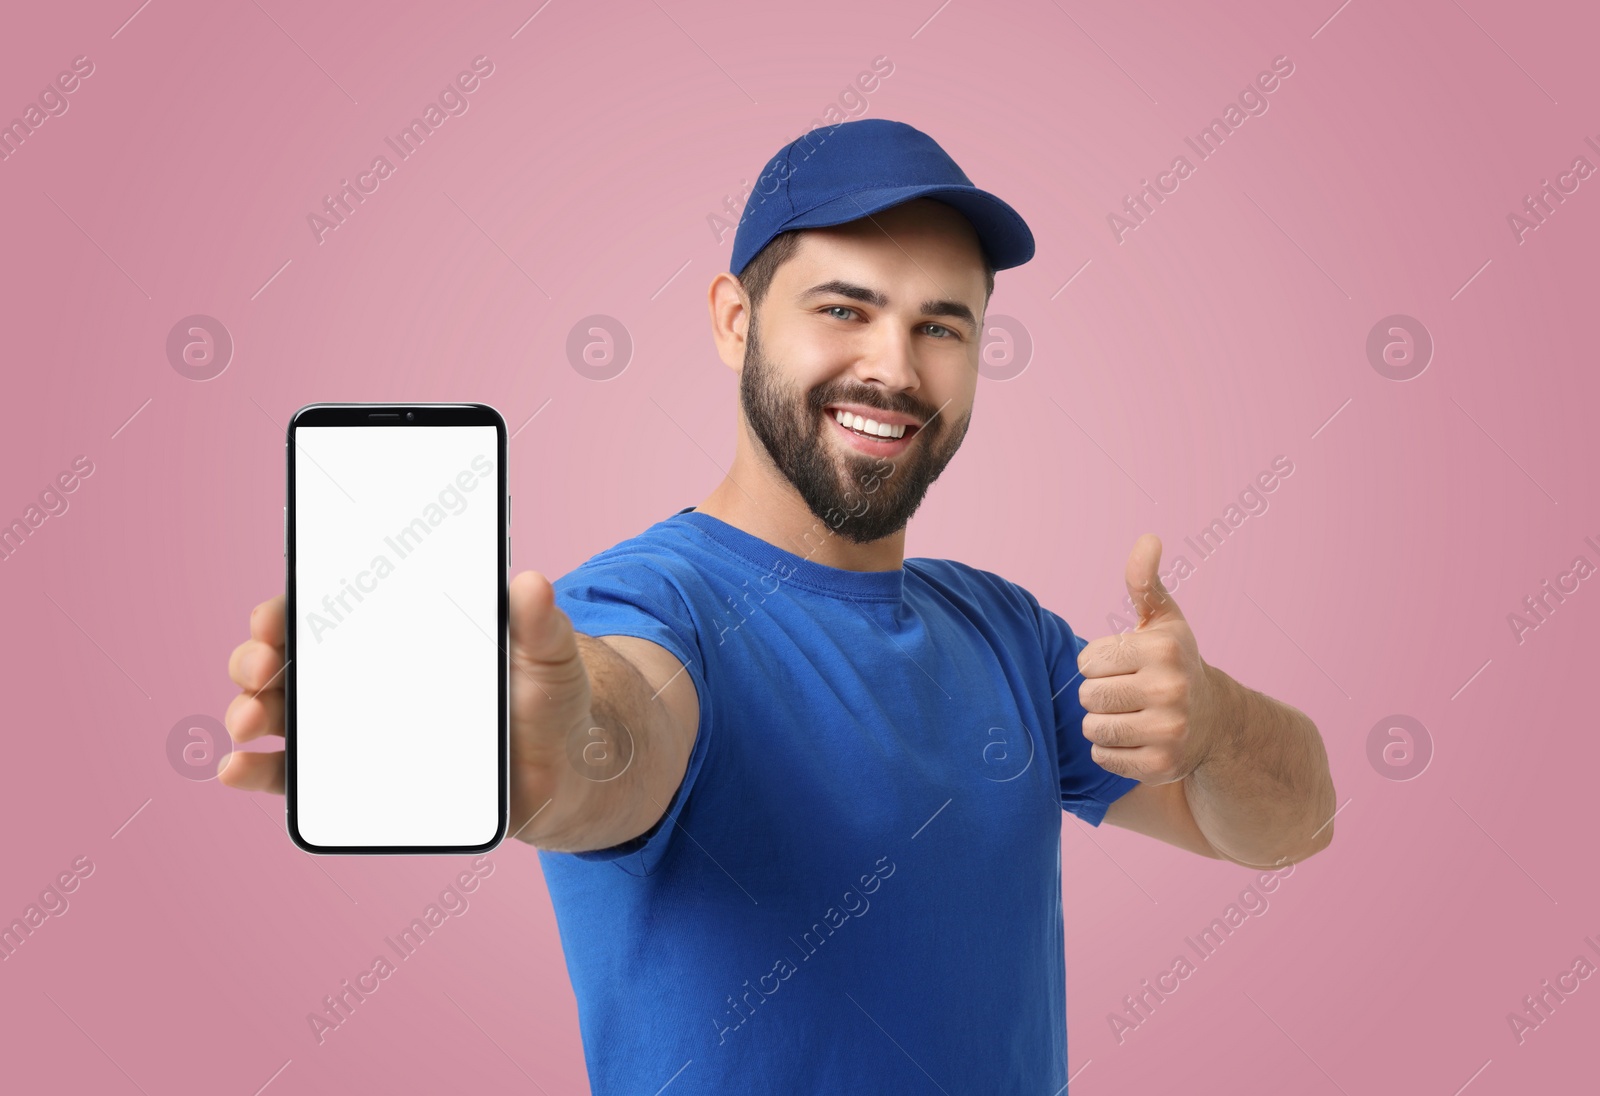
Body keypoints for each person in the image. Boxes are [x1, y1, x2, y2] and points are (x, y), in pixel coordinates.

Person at [221, 118, 1336, 1095]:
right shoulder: (653, 603)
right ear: (732, 319)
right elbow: (624, 725)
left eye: (941, 326)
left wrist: (1220, 725)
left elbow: (1295, 829)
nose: (893, 367)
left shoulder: (1008, 634)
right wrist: (554, 754)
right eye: (843, 308)